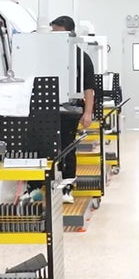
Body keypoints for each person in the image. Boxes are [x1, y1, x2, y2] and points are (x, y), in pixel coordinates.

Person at [49, 16, 96, 202]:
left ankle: (67, 187)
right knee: (47, 148)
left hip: (71, 111)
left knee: (67, 147)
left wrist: (88, 112)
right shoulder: (49, 57)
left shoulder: (81, 58)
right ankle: (43, 186)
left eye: (59, 33)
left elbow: (89, 89)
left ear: (70, 34)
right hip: (48, 110)